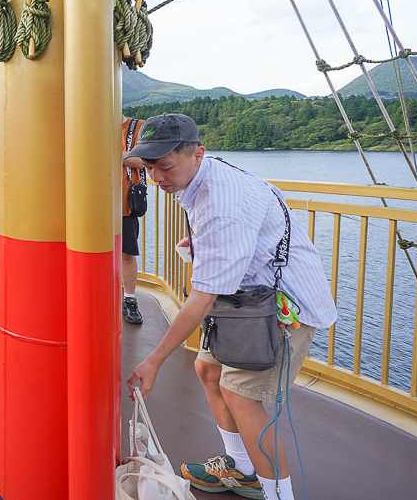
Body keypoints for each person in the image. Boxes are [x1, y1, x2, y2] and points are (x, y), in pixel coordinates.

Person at [124, 113, 335, 500]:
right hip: (245, 297)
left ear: (197, 154)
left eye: (165, 167)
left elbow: (202, 296)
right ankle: (241, 468)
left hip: (280, 307)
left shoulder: (222, 206)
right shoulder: (207, 171)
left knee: (241, 395)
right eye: (149, 167)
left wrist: (153, 360)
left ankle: (278, 495)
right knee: (208, 369)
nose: (156, 178)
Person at [122, 115, 146, 325]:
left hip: (124, 203)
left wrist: (111, 153)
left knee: (127, 254)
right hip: (90, 206)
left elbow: (144, 160)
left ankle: (129, 298)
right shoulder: (87, 124)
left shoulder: (136, 126)